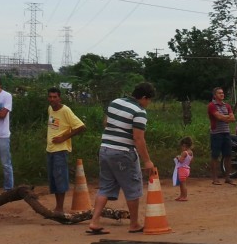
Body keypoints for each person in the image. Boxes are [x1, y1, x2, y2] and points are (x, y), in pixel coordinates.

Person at [86, 82, 156, 235]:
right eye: (148, 100)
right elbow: (138, 139)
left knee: (105, 187)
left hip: (105, 149)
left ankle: (94, 221)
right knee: (132, 187)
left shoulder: (115, 102)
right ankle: (134, 224)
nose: (148, 104)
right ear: (143, 98)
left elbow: (106, 122)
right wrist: (147, 161)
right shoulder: (139, 112)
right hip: (123, 152)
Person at [46, 87, 86, 213]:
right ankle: (57, 206)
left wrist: (64, 137)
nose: (52, 99)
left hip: (60, 149)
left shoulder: (65, 110)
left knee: (60, 178)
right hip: (50, 149)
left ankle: (60, 207)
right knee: (53, 179)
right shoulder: (50, 109)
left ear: (59, 98)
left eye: (55, 97)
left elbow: (81, 126)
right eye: (50, 97)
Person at [207, 87, 236, 186]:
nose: (222, 94)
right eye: (219, 93)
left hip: (226, 132)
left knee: (228, 155)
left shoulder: (226, 105)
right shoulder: (211, 105)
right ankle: (215, 178)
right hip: (216, 133)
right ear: (215, 95)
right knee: (215, 156)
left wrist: (224, 117)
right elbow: (218, 117)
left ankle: (227, 177)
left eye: (222, 93)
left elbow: (233, 118)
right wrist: (227, 117)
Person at [173, 136, 194, 202]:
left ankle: (184, 196)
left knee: (183, 184)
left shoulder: (184, 153)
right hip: (187, 168)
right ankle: (182, 196)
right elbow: (191, 160)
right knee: (182, 184)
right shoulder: (191, 152)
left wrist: (178, 157)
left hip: (182, 169)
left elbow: (181, 160)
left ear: (184, 145)